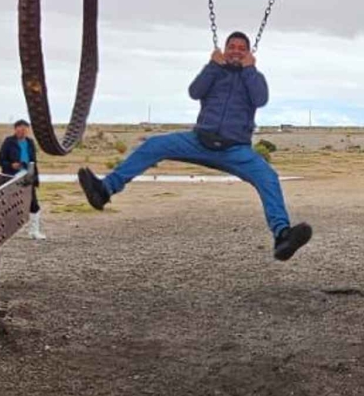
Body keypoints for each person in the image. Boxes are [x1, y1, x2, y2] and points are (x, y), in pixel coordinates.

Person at [76, 31, 313, 261]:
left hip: (235, 150)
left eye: (242, 49)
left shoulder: (254, 77)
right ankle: (104, 190)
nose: (236, 52)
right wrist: (212, 65)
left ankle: (282, 236)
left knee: (268, 177)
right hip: (199, 141)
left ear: (249, 53)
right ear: (224, 50)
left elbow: (260, 99)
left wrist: (250, 69)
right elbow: (195, 91)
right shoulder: (215, 72)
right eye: (232, 47)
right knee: (153, 145)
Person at [0, 119, 46, 240]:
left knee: (33, 203)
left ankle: (34, 232)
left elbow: (34, 161)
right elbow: (0, 160)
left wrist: (35, 178)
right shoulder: (9, 142)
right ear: (15, 130)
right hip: (12, 176)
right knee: (9, 205)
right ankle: (2, 232)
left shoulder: (30, 142)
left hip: (28, 175)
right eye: (20, 130)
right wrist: (11, 165)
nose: (23, 132)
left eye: (25, 130)